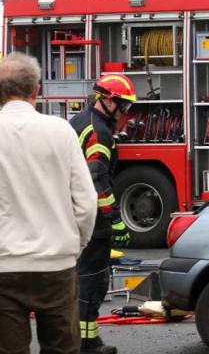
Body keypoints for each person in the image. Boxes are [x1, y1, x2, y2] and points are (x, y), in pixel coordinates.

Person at [0, 52, 98, 354]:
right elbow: (86, 201)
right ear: (36, 90)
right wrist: (75, 246)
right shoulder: (61, 131)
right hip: (57, 266)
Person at [69, 74, 136, 354]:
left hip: (74, 212)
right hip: (92, 218)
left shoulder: (81, 121)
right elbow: (97, 179)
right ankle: (86, 344)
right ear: (108, 101)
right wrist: (115, 218)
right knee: (93, 279)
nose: (125, 112)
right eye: (124, 105)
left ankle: (85, 340)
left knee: (82, 277)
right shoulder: (99, 132)